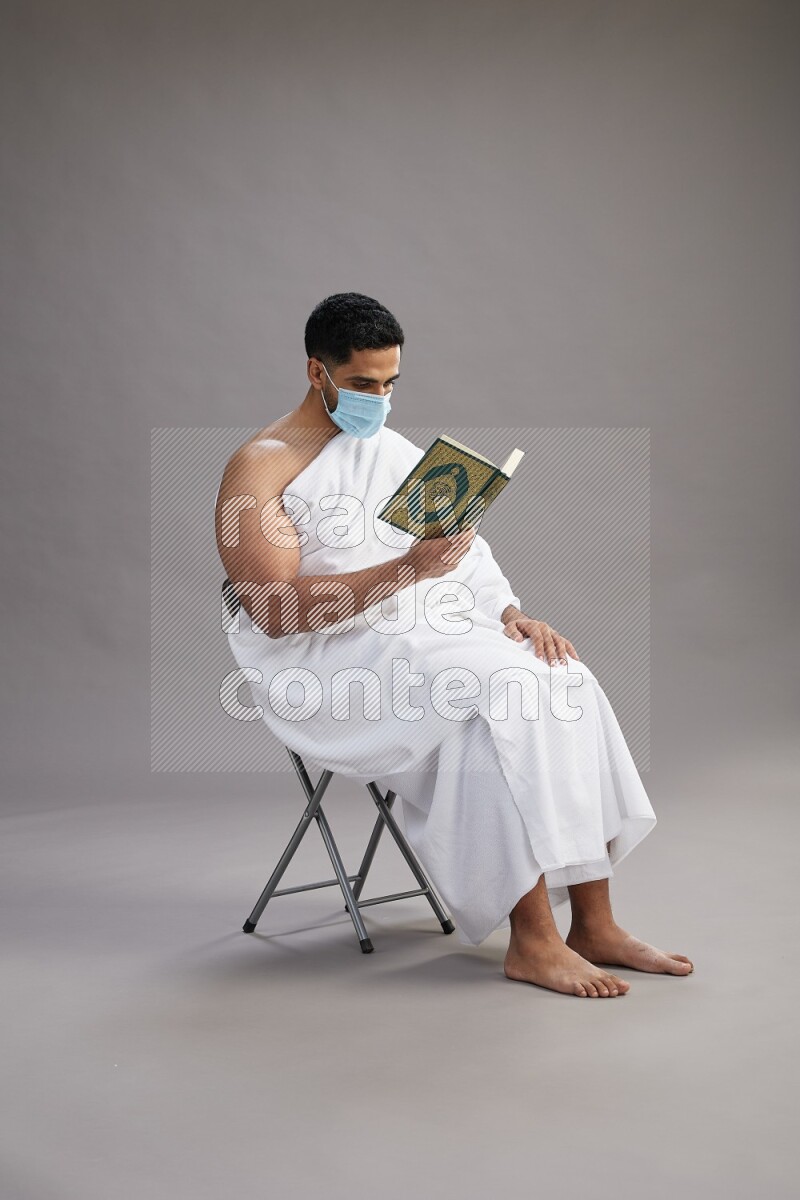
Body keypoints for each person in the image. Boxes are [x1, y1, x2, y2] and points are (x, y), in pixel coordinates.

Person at [215, 292, 694, 997]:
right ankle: (531, 940)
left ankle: (594, 922)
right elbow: (275, 614)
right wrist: (409, 569)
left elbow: (463, 555)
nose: (379, 399)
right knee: (493, 699)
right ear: (317, 371)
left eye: (390, 383)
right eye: (361, 384)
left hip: (419, 631)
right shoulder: (259, 467)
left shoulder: (392, 450)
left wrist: (510, 614)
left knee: (560, 677)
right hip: (324, 661)